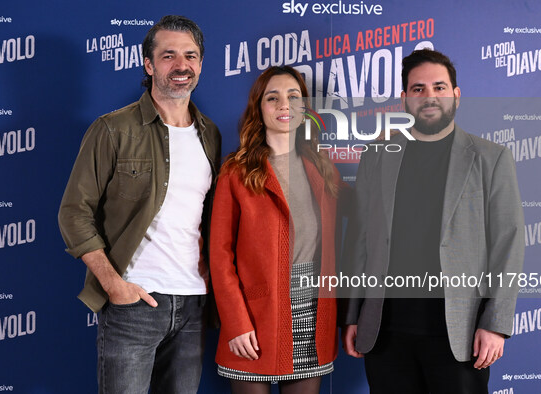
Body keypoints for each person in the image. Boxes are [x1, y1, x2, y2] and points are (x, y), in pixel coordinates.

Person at [342, 49, 525, 393]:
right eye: (418, 89)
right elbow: (360, 241)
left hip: (460, 336)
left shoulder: (491, 158)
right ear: (404, 99)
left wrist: (496, 325)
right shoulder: (377, 156)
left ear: (456, 95)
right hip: (385, 334)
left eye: (439, 87)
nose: (429, 97)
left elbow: (508, 244)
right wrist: (353, 315)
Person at [58, 15, 221, 394]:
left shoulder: (209, 133)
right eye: (168, 56)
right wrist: (114, 284)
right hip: (133, 304)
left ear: (200, 63)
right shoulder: (113, 129)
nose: (181, 66)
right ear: (148, 65)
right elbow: (74, 211)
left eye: (190, 55)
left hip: (194, 305)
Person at [210, 66, 340, 394]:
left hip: (314, 314)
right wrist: (236, 323)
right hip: (254, 317)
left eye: (293, 97)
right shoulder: (236, 172)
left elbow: (369, 214)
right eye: (273, 97)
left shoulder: (323, 170)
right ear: (259, 108)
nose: (284, 105)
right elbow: (219, 257)